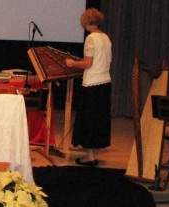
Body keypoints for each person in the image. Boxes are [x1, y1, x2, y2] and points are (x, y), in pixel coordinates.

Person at [65, 8, 112, 167]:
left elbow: (88, 64)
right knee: (98, 120)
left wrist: (72, 63)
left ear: (87, 22)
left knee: (89, 120)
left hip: (92, 84)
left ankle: (90, 157)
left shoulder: (91, 39)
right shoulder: (106, 38)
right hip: (105, 83)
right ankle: (94, 154)